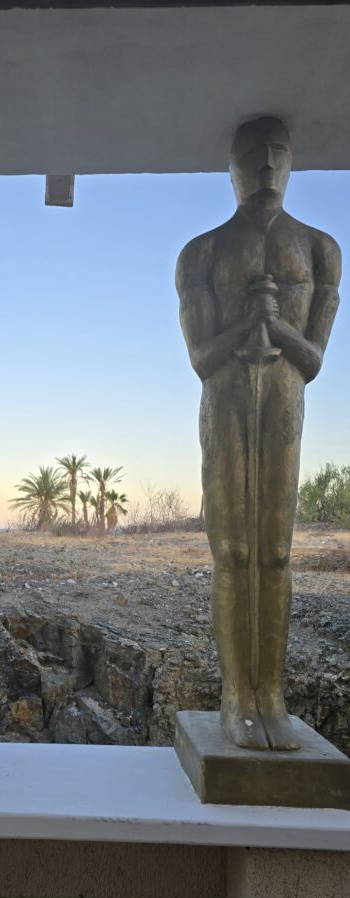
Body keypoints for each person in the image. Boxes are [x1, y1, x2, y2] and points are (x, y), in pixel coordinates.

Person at [176, 117, 341, 750]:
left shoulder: (320, 249)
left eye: (278, 154)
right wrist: (248, 323)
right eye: (253, 155)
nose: (267, 165)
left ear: (292, 164)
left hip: (283, 398)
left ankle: (270, 696)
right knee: (233, 551)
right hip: (225, 399)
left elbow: (313, 358)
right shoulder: (203, 252)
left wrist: (276, 322)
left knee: (275, 551)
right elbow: (201, 357)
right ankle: (236, 698)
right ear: (232, 169)